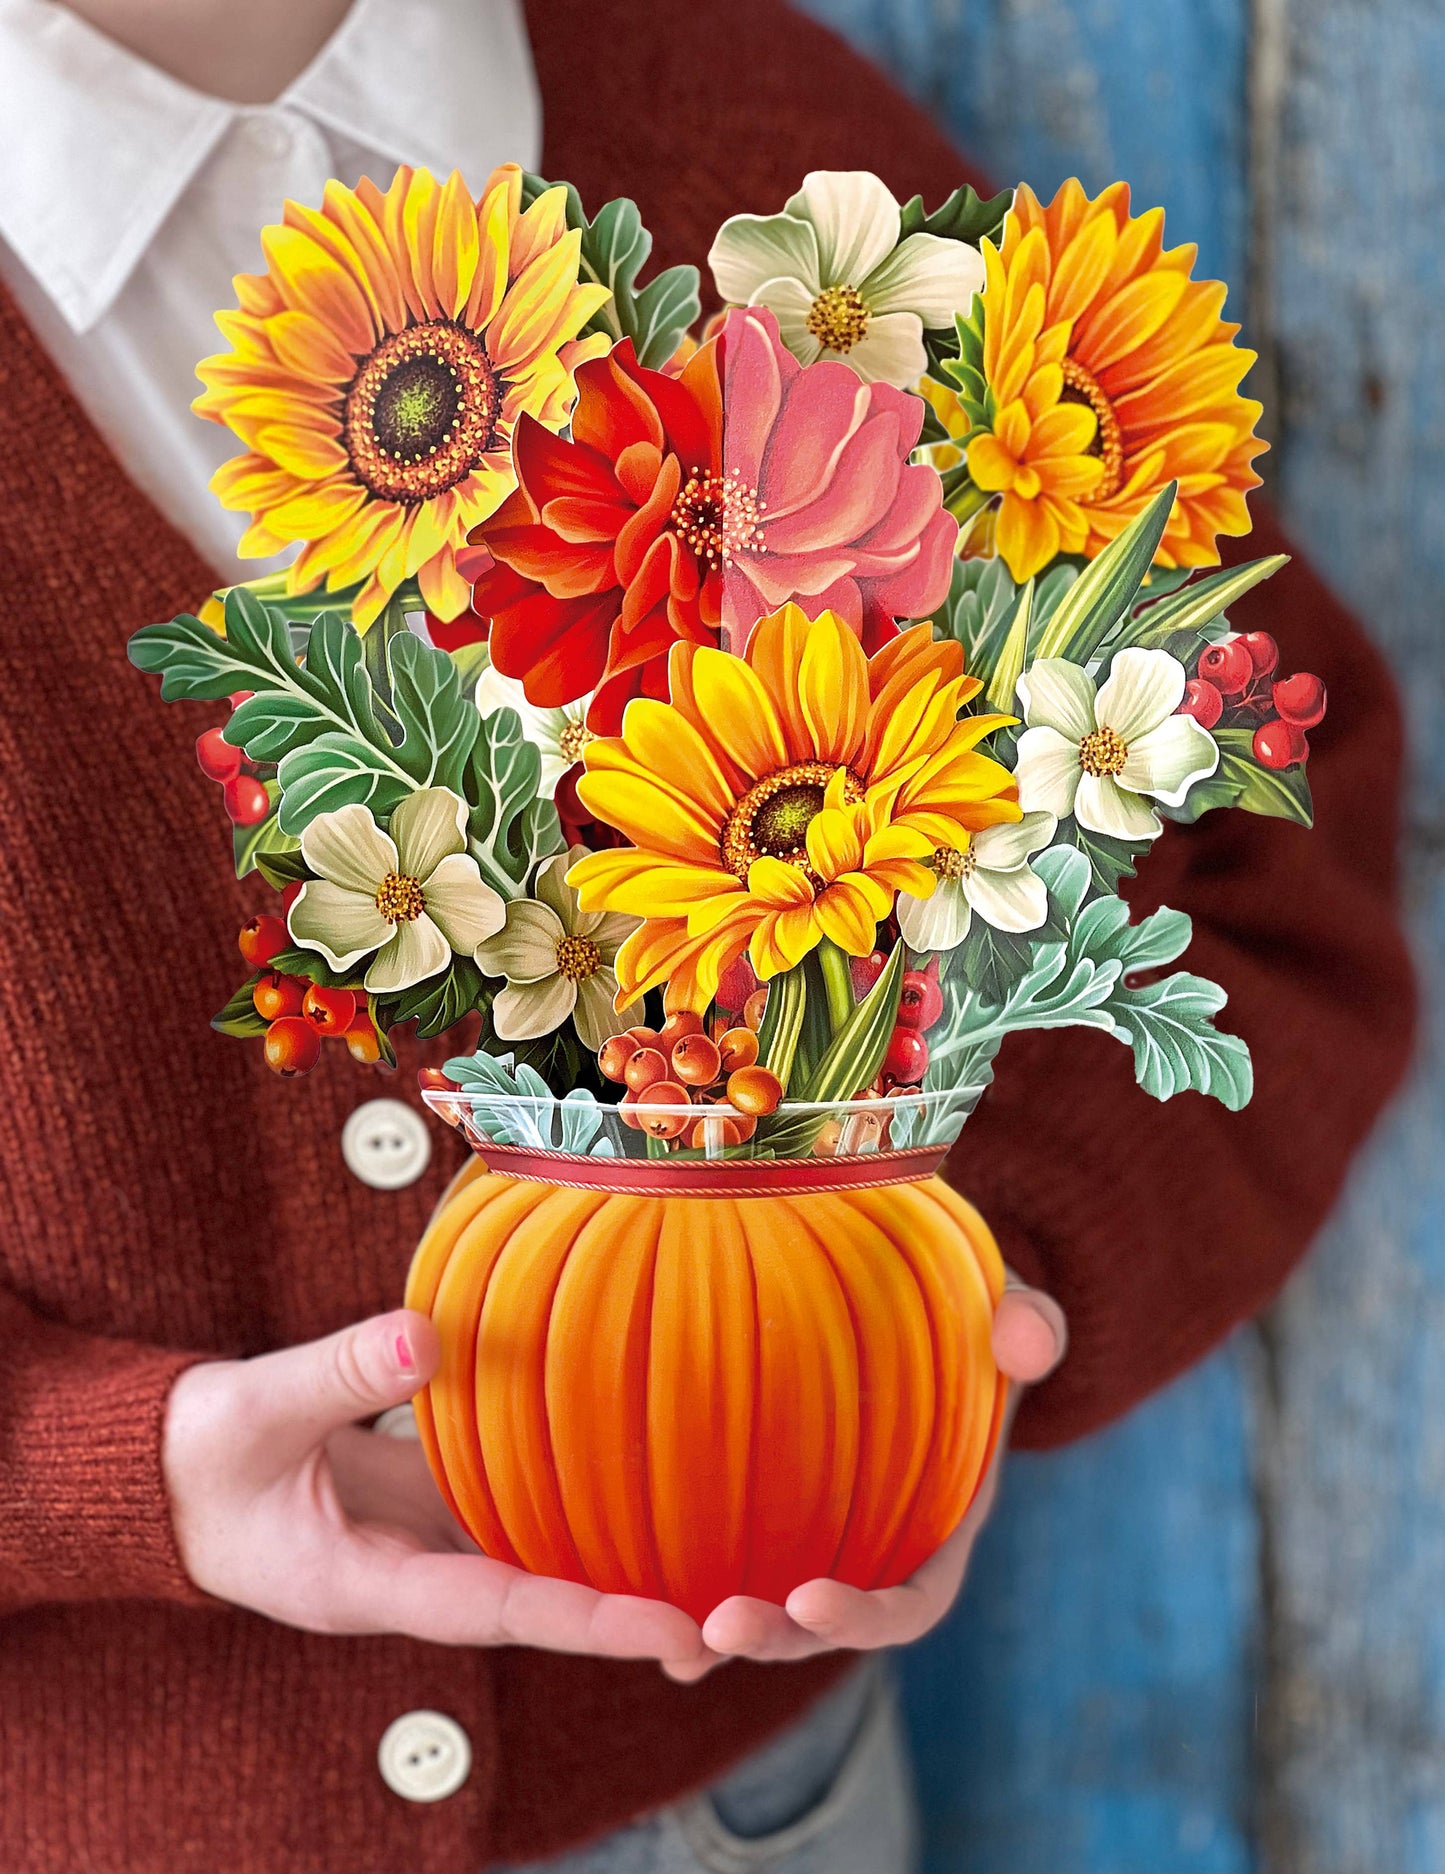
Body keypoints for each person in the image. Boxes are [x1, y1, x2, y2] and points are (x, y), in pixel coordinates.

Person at [0, 0, 1413, 1870]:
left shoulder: (791, 187)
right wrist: (88, 1477)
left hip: (738, 1817)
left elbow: (1267, 853)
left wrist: (952, 1326)